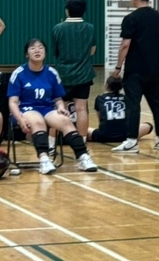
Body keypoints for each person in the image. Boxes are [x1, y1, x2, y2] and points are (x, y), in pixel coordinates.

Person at [7, 39, 97, 174]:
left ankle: (83, 157)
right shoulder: (19, 73)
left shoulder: (51, 72)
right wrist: (19, 119)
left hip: (47, 109)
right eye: (33, 48)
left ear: (45, 52)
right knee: (38, 121)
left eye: (40, 47)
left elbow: (57, 98)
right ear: (27, 54)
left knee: (65, 120)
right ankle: (44, 159)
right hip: (26, 109)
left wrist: (61, 107)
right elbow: (13, 102)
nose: (37, 50)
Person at [112, 0, 159, 152]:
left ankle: (131, 141)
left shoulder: (131, 18)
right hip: (154, 68)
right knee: (157, 103)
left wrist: (118, 67)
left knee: (133, 104)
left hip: (135, 69)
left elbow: (125, 45)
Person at [50, 0, 98, 139]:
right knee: (81, 109)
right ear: (84, 11)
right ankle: (81, 142)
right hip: (84, 74)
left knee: (59, 108)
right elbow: (92, 51)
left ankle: (51, 142)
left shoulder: (58, 28)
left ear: (67, 10)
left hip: (63, 75)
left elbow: (55, 52)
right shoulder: (90, 28)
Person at [89, 75, 153, 145]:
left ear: (106, 85)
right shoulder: (127, 98)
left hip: (103, 136)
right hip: (126, 135)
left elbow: (100, 119)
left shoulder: (100, 98)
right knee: (149, 126)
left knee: (84, 130)